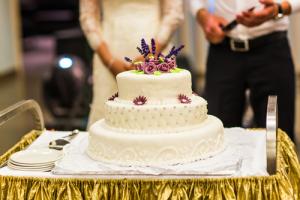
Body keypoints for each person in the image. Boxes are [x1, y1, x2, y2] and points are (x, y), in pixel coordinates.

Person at [190, 0, 300, 140]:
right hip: (223, 49)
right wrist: (203, 16)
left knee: (279, 136)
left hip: (272, 48)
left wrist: (279, 8)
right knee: (217, 134)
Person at [80, 0, 184, 128]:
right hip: (108, 54)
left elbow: (173, 14)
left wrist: (151, 54)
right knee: (108, 128)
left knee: (158, 121)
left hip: (156, 53)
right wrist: (109, 62)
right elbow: (88, 17)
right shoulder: (108, 61)